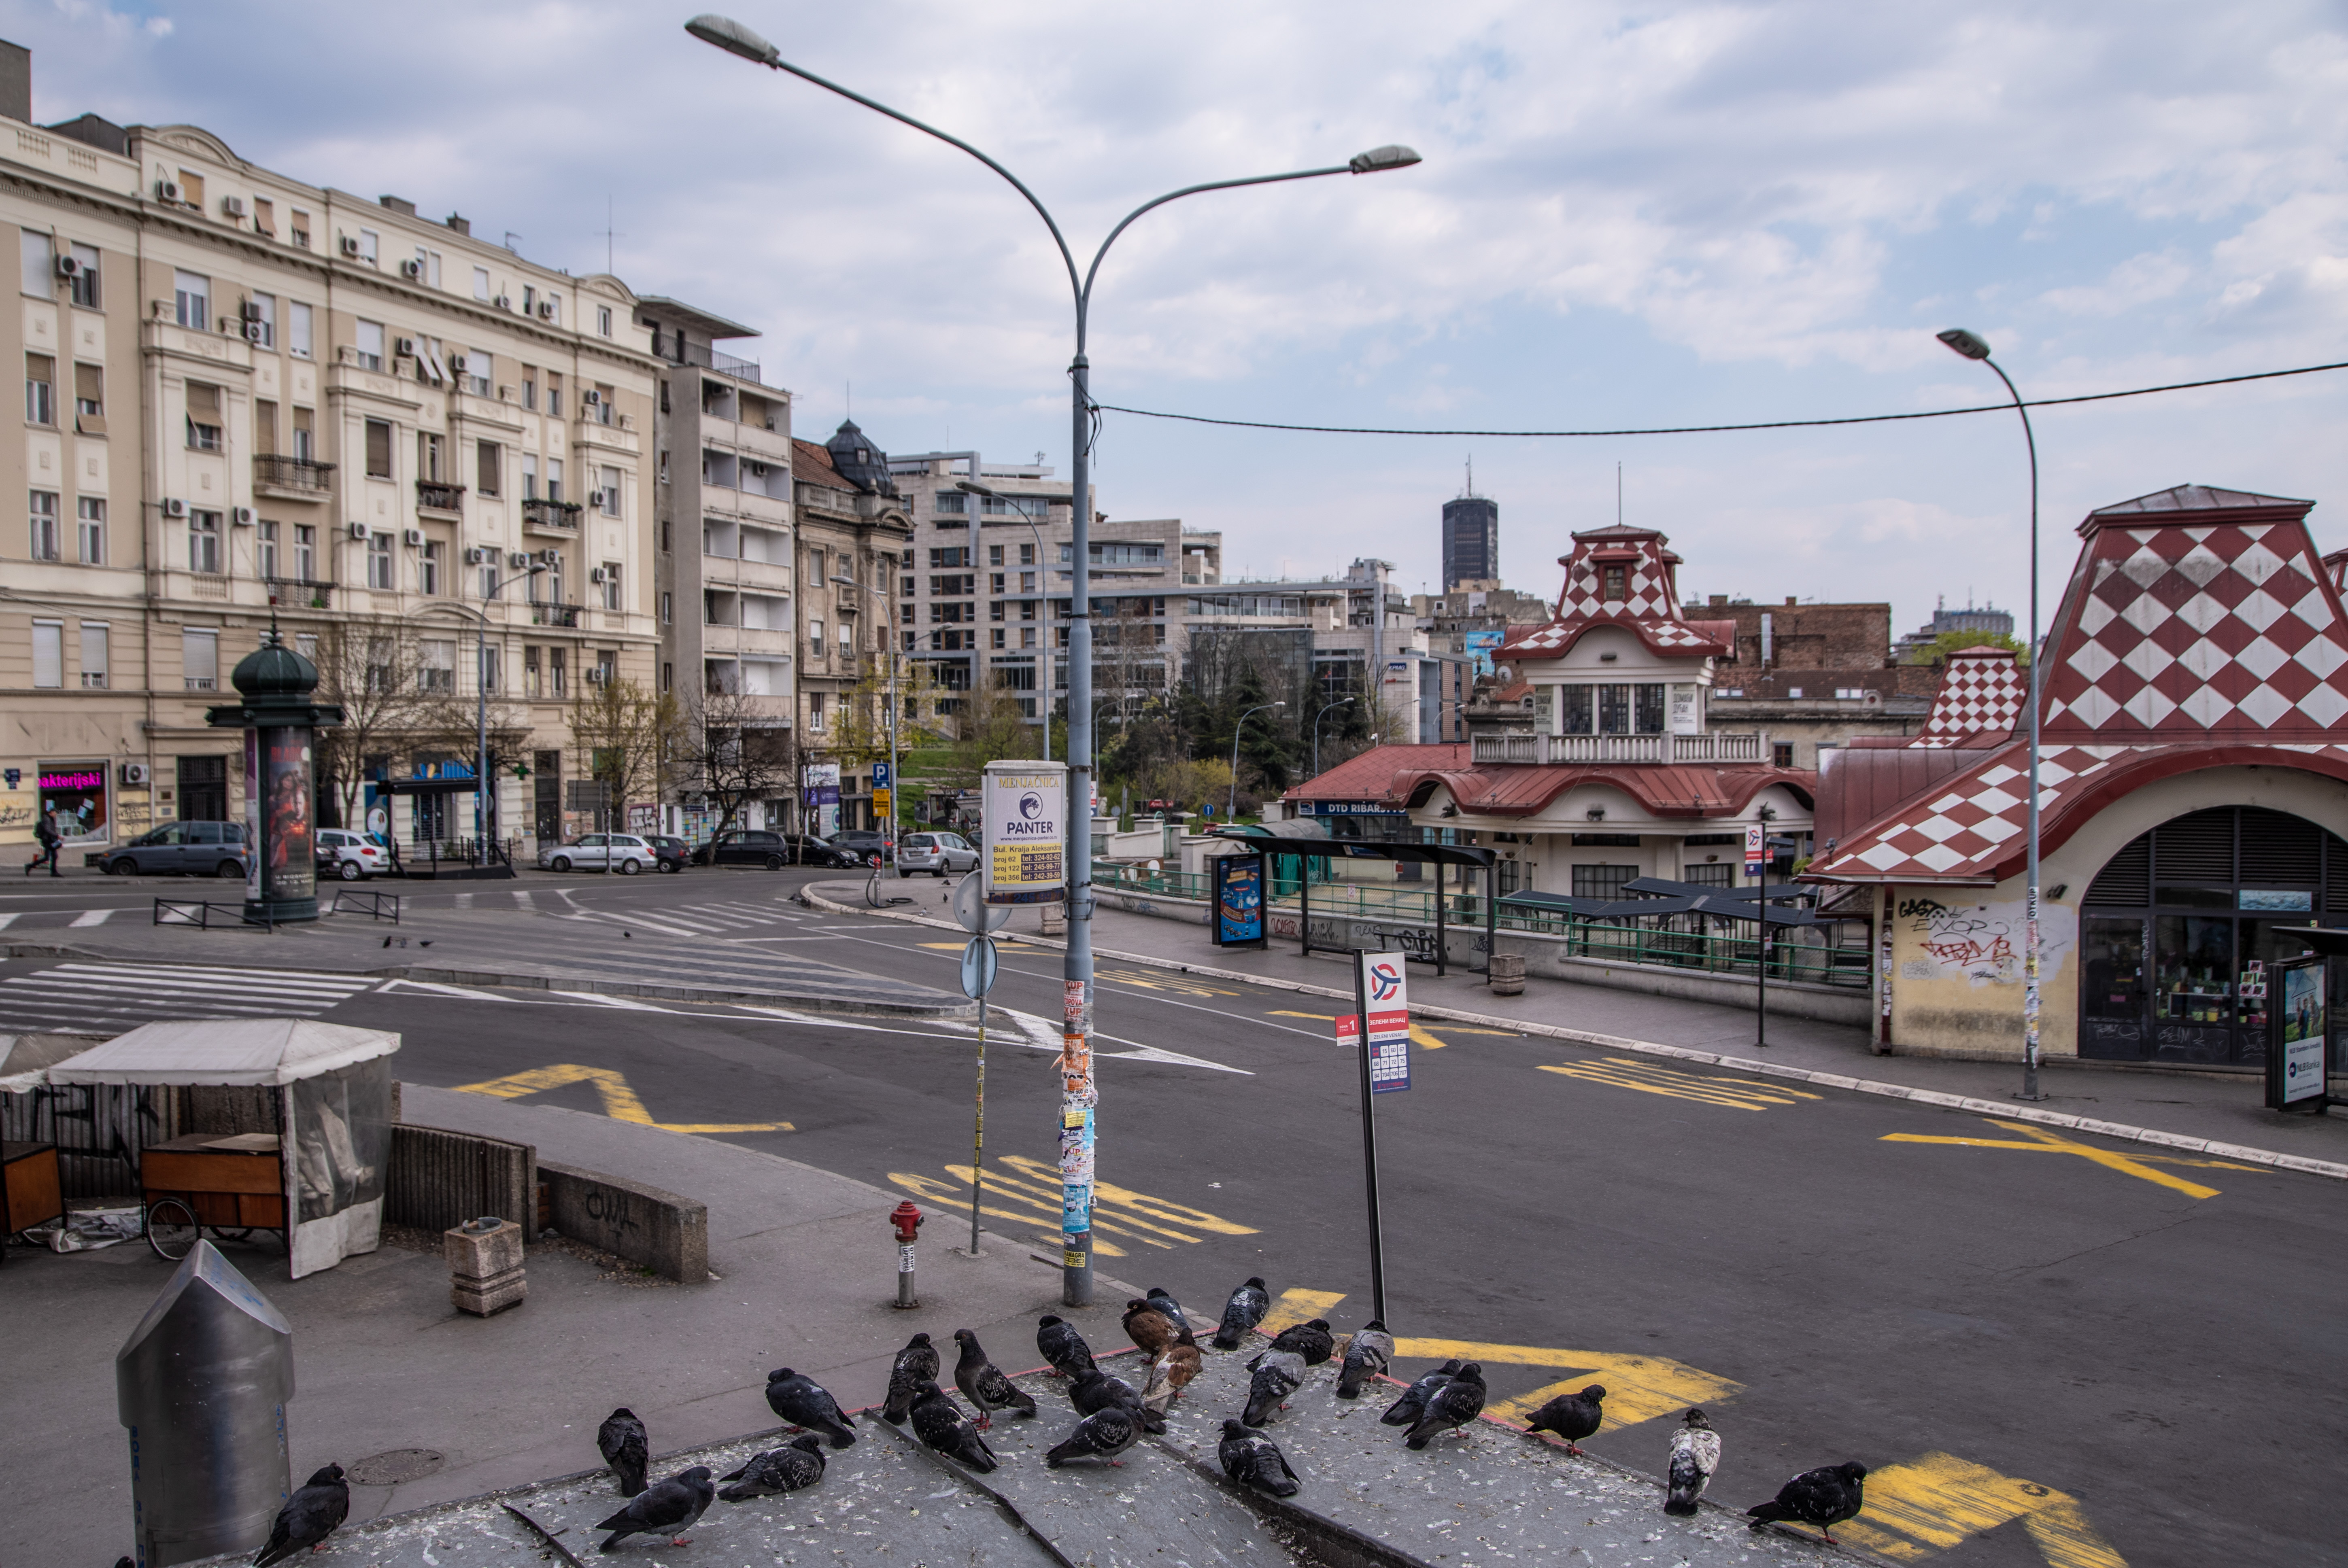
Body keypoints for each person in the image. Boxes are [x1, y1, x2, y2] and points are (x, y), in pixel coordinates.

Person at [24, 809, 61, 877]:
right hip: (47, 841)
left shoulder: (51, 819)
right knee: (47, 858)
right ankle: (29, 866)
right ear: (51, 812)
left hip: (50, 840)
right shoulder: (47, 819)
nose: (56, 815)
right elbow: (48, 830)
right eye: (55, 813)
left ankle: (54, 872)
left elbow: (52, 830)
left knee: (54, 856)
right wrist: (57, 836)